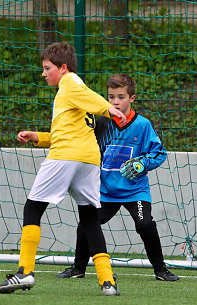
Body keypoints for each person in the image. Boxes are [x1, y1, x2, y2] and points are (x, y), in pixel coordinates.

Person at [0, 42, 126, 296]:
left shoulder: (71, 82)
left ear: (63, 68)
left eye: (47, 68)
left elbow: (88, 97)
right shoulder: (69, 94)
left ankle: (25, 272)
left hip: (66, 157)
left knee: (33, 208)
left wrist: (108, 109)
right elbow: (64, 132)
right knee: (89, 218)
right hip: (88, 160)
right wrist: (38, 137)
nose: (43, 74)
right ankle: (107, 281)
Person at [56, 74, 179, 282]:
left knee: (145, 224)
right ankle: (78, 268)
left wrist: (141, 163)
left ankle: (161, 270)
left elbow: (159, 154)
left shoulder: (142, 125)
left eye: (120, 97)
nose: (115, 102)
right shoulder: (101, 123)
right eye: (111, 97)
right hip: (105, 191)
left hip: (135, 190)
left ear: (132, 98)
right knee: (86, 224)